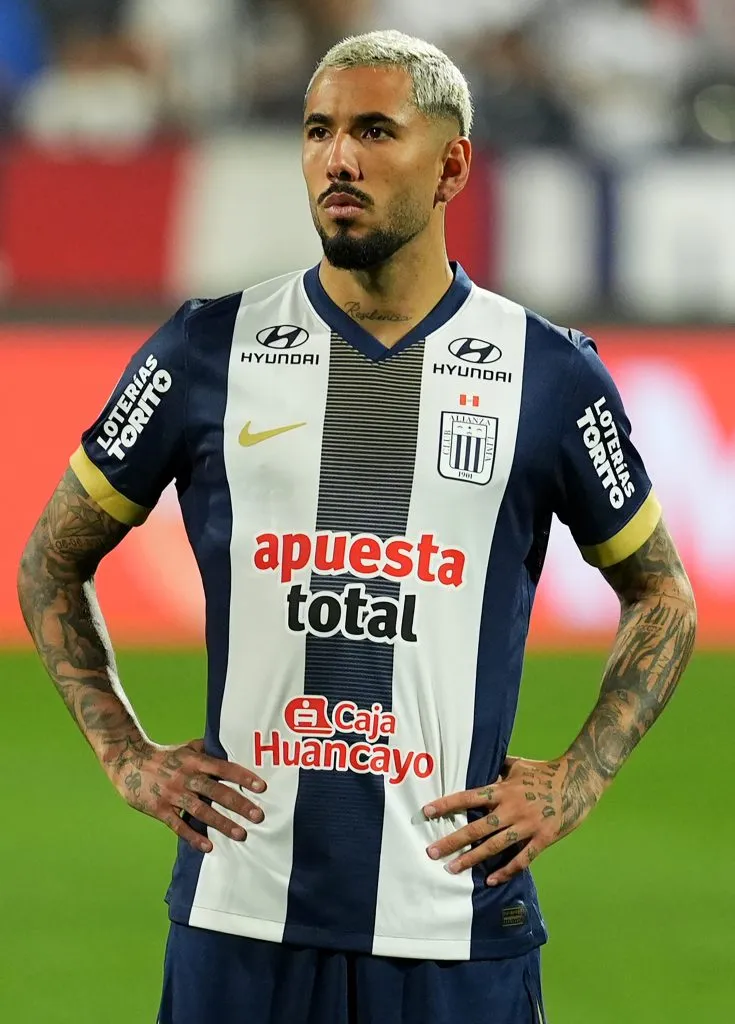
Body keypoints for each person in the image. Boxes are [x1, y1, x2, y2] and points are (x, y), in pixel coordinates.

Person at [17, 30, 696, 1024]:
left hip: (454, 926)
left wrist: (577, 778)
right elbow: (50, 560)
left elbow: (663, 592)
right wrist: (127, 752)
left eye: (377, 130)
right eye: (320, 130)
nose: (340, 157)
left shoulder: (545, 374)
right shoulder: (206, 350)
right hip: (239, 918)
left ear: (452, 162)